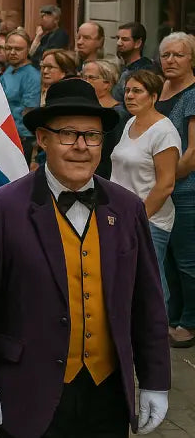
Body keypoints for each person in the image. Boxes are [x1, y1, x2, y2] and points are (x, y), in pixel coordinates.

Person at [0, 78, 171, 438]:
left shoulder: (128, 207)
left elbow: (148, 303)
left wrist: (156, 381)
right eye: (68, 134)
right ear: (43, 139)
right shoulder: (1, 208)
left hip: (107, 395)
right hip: (28, 390)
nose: (81, 147)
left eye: (93, 136)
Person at [113, 69, 180, 304]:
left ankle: (159, 334)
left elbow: (166, 184)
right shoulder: (131, 122)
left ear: (154, 97)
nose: (129, 96)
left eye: (137, 91)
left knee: (152, 281)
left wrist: (139, 218)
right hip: (121, 215)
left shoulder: (164, 132)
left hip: (149, 219)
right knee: (128, 279)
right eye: (128, 91)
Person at [155, 32, 195, 348]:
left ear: (191, 59)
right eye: (166, 54)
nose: (170, 60)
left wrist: (167, 181)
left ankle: (190, 321)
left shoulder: (193, 95)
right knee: (166, 257)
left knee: (186, 260)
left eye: (178, 55)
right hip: (160, 187)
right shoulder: (160, 87)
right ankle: (172, 314)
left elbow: (192, 152)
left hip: (185, 189)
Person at [2, 30, 41, 163]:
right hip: (4, 134)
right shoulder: (9, 70)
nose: (12, 52)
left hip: (21, 138)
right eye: (8, 48)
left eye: (18, 49)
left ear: (28, 49)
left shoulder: (32, 76)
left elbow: (28, 112)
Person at [82, 59, 126, 179]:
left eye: (92, 78)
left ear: (107, 83)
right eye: (84, 77)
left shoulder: (118, 114)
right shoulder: (84, 109)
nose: (86, 82)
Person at [112, 22, 157, 102]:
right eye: (117, 38)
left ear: (138, 43)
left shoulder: (145, 71)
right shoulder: (122, 68)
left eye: (125, 39)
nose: (118, 43)